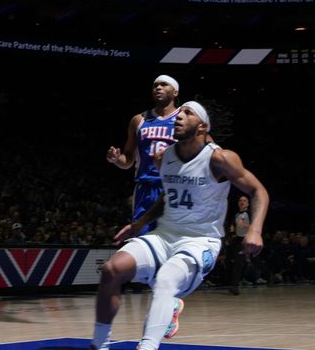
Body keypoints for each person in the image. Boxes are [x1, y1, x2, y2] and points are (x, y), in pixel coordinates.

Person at [90, 101, 269, 350]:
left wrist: (255, 229)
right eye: (179, 112)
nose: (179, 117)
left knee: (166, 278)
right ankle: (99, 345)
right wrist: (139, 223)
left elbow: (258, 190)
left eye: (188, 113)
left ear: (202, 126)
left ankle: (148, 346)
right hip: (165, 235)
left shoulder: (219, 158)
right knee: (112, 269)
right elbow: (168, 197)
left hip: (200, 241)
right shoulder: (164, 157)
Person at [106, 75, 180, 236]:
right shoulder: (138, 120)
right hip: (146, 187)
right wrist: (116, 159)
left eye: (164, 85)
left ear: (175, 92)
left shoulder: (184, 118)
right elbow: (128, 160)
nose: (158, 88)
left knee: (173, 241)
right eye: (155, 85)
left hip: (175, 187)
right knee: (142, 239)